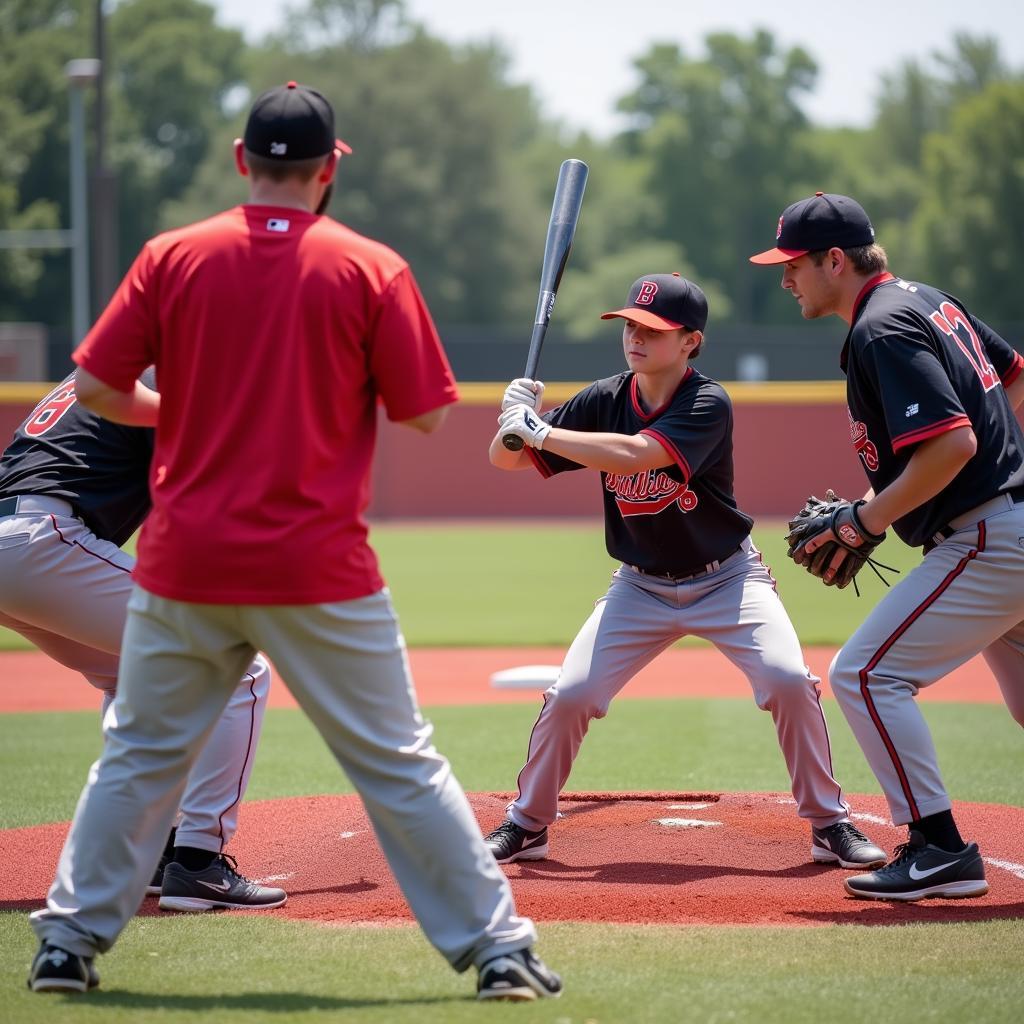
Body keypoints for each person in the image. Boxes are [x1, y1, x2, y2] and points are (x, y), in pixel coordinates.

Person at [27, 80, 560, 1003]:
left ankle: (67, 945)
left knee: (140, 752)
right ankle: (496, 950)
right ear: (329, 170)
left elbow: (101, 390)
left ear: (243, 160)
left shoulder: (171, 256)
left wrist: (191, 403)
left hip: (186, 561)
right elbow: (428, 414)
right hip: (318, 566)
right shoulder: (369, 266)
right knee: (398, 761)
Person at [485, 272, 886, 876]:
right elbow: (507, 462)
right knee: (571, 695)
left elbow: (639, 453)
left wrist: (541, 429)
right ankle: (528, 823)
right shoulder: (604, 397)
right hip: (640, 585)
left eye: (653, 329)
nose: (635, 337)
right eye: (630, 325)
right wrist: (511, 422)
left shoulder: (707, 402)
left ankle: (829, 825)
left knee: (787, 681)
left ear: (691, 341)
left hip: (728, 579)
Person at [749, 191, 1024, 901]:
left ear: (835, 260)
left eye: (794, 265)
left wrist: (866, 520)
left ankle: (938, 849)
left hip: (988, 536)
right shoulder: (928, 300)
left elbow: (954, 443)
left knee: (865, 675)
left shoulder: (881, 326)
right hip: (1008, 523)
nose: (786, 279)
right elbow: (1015, 378)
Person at [0, 370, 285, 913]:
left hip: (22, 543)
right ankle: (199, 862)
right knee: (237, 669)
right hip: (46, 541)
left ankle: (152, 850)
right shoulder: (177, 369)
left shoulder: (127, 370)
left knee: (135, 677)